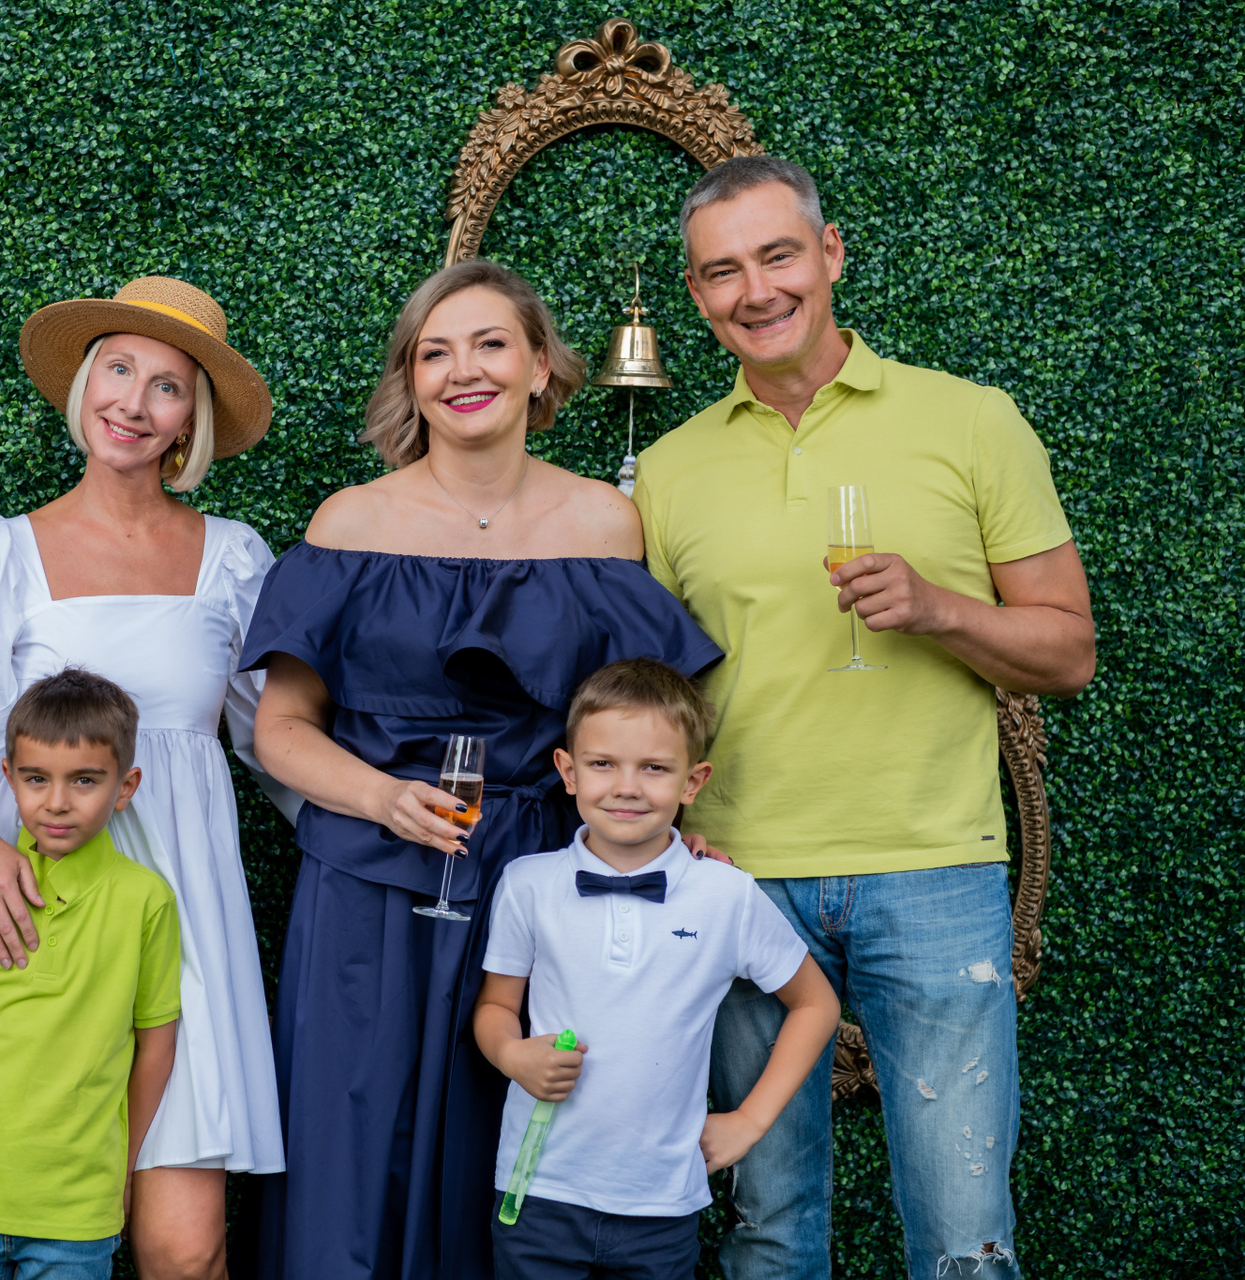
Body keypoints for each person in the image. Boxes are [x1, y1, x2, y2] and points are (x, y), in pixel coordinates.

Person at [633, 155, 1097, 1278]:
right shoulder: (671, 470)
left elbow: (1070, 650)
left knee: (965, 1240)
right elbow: (655, 692)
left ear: (830, 254)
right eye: (723, 271)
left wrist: (939, 609)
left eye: (778, 256)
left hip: (933, 868)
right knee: (766, 1229)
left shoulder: (971, 421)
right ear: (696, 294)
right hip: (740, 880)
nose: (756, 291)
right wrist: (667, 825)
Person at [242, 259, 724, 1280]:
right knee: (351, 1144)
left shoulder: (605, 524)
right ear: (412, 380)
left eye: (491, 344)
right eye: (436, 352)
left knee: (511, 1139)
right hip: (368, 881)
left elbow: (639, 725)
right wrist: (383, 796)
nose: (464, 370)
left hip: (542, 880)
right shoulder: (347, 523)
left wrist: (675, 840)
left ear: (541, 366)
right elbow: (279, 730)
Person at [0, 276, 289, 1280]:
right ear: (85, 384)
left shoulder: (234, 558)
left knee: (181, 1246)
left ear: (190, 420)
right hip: (37, 910)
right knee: (33, 1227)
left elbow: (275, 738)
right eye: (119, 368)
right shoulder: (1, 549)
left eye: (167, 385)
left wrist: (389, 810)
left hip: (184, 913)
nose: (134, 400)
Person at [474, 659, 838, 1280]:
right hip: (537, 1191)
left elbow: (817, 1003)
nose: (627, 787)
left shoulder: (725, 894)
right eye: (602, 764)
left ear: (692, 781)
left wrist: (749, 1121)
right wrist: (513, 1055)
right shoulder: (527, 884)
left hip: (663, 1204)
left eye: (654, 768)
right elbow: (495, 1007)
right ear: (568, 771)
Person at [0, 668, 181, 1278]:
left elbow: (155, 1046)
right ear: (8, 778)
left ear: (125, 786)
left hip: (78, 1213)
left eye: (84, 779)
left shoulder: (147, 901)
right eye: (36, 778)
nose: (57, 802)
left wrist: (121, 1169)